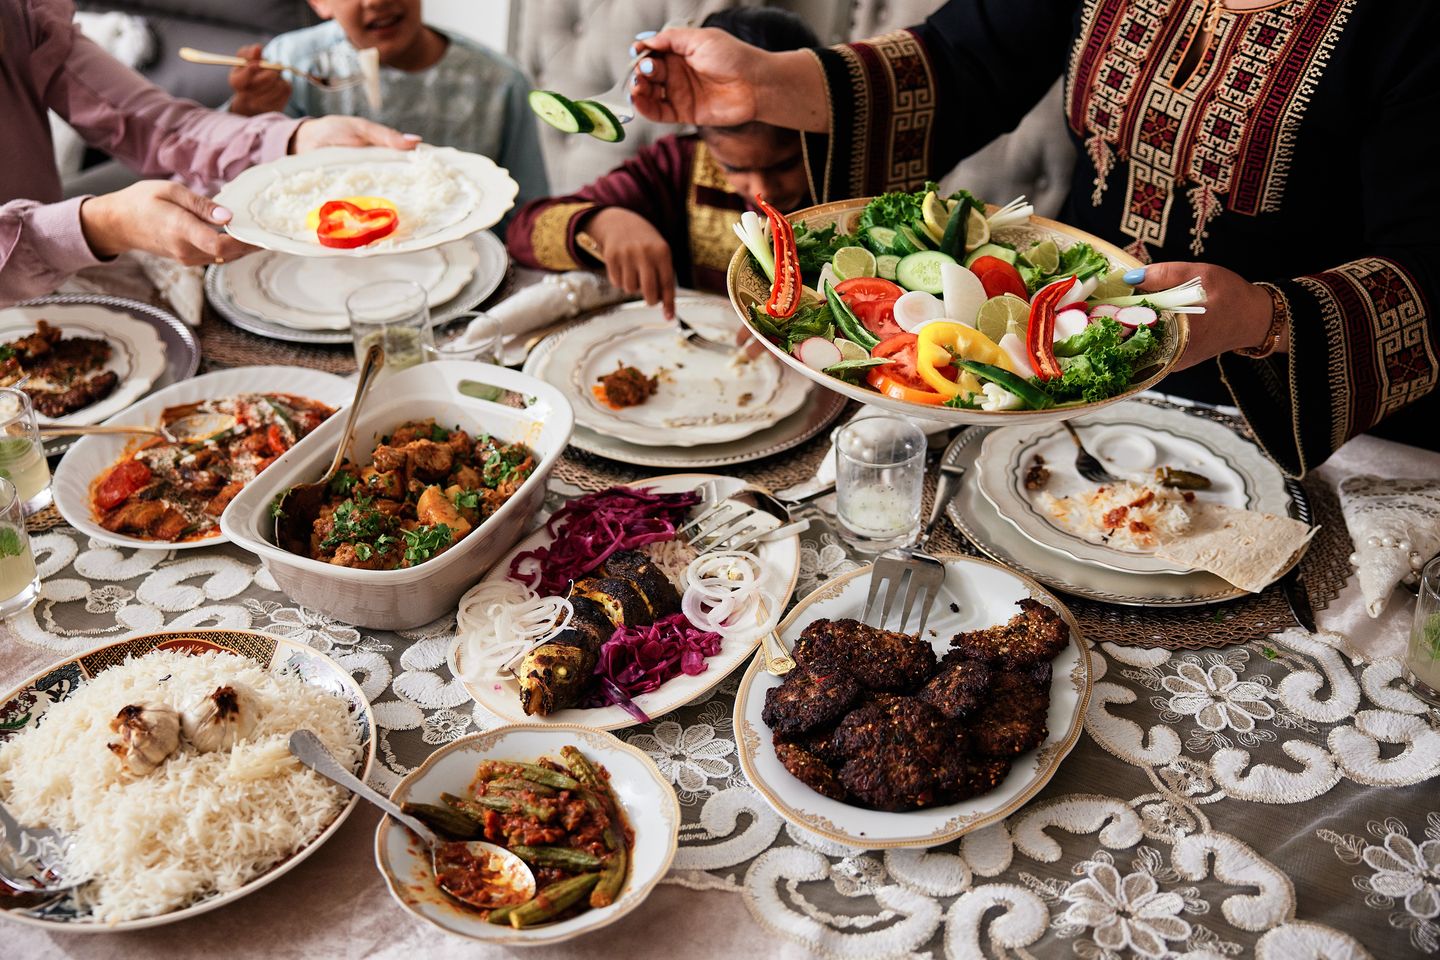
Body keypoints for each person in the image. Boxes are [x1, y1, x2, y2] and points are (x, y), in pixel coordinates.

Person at [630, 1, 1439, 474]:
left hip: (1306, 425)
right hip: (1064, 374)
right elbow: (961, 64)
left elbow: (1427, 265)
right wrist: (765, 82)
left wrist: (1258, 319)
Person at [1, 0, 416, 307]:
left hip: (55, 295)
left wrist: (295, 138)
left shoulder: (21, 16)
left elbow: (157, 126)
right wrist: (102, 225)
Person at [506, 9, 818, 319]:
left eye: (786, 165)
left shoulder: (854, 165)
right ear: (704, 138)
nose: (763, 190)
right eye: (735, 169)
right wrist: (602, 223)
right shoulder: (677, 165)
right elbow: (523, 230)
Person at [227, 0, 549, 214]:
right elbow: (234, 184)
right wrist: (247, 114)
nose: (376, 0)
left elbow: (528, 212)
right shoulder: (288, 62)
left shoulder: (500, 83)